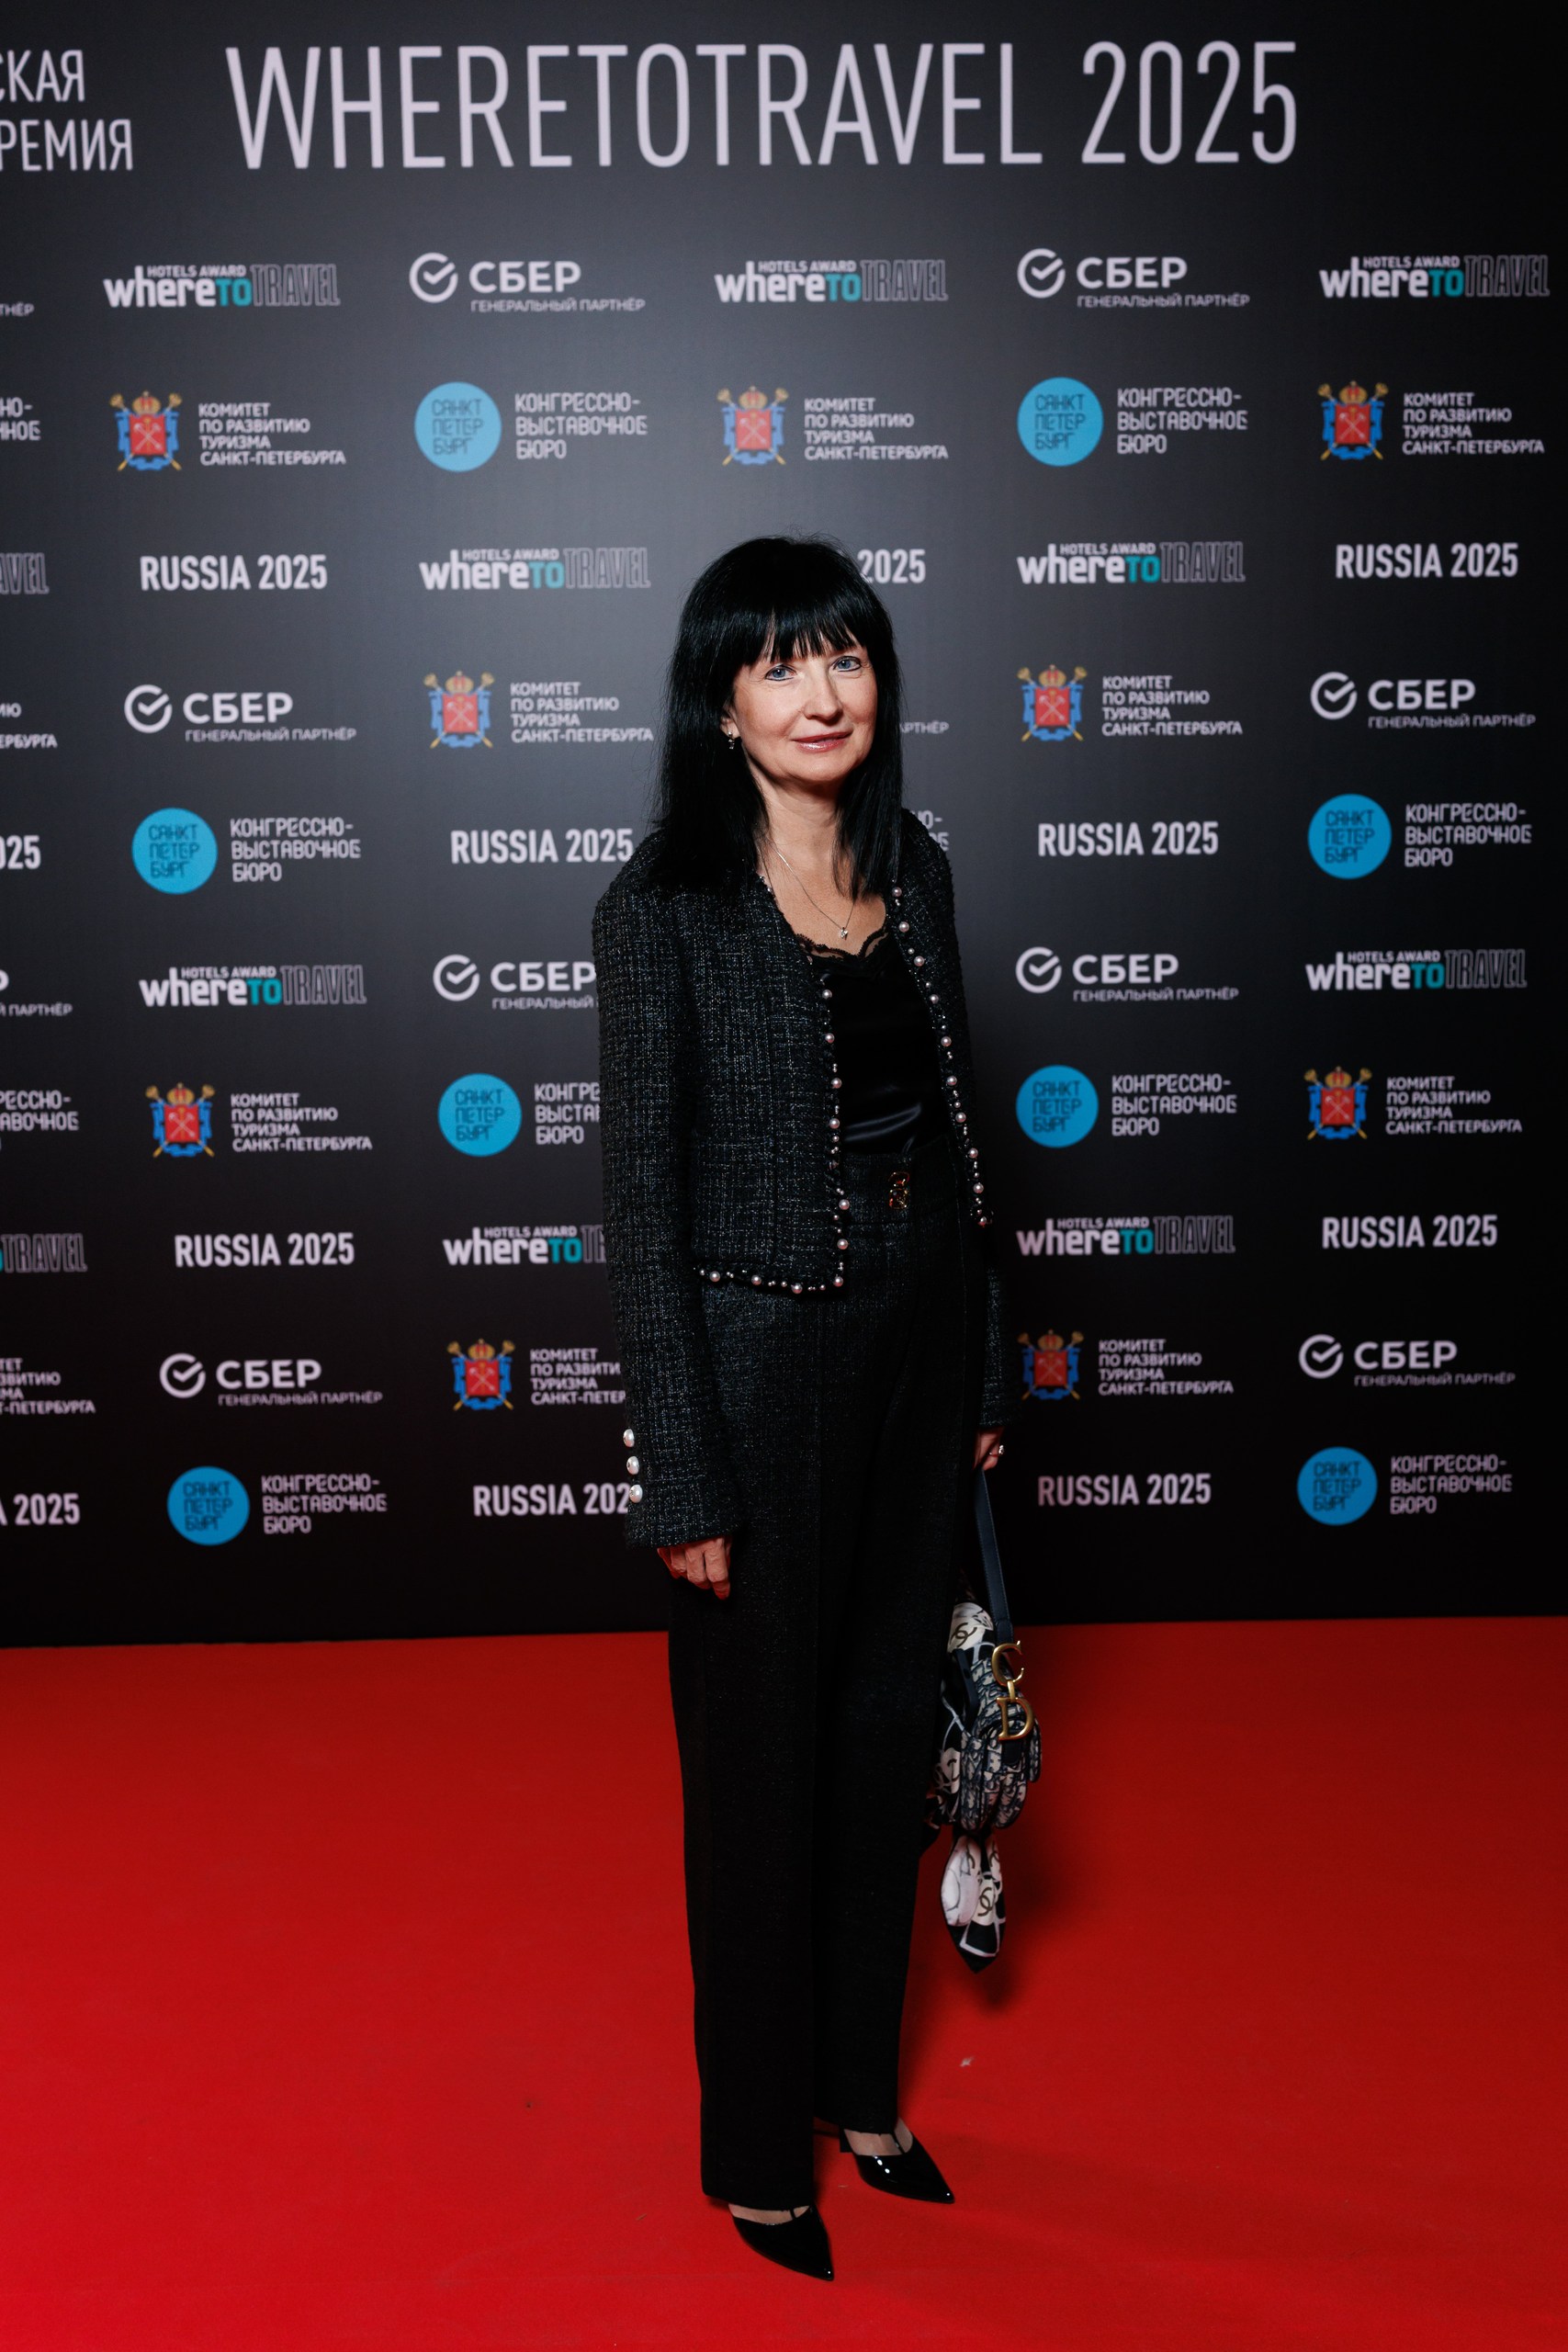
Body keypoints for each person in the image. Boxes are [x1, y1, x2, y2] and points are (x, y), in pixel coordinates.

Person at [592, 537, 1010, 2281]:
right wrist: (684, 1472)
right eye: (778, 665)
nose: (823, 693)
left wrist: (981, 1368)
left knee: (879, 1736)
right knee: (758, 1771)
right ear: (721, 702)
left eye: (845, 656)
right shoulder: (662, 912)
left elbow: (965, 1145)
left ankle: (860, 2089)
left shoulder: (916, 866)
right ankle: (758, 2149)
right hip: (758, 1369)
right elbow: (643, 1214)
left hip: (920, 1351)